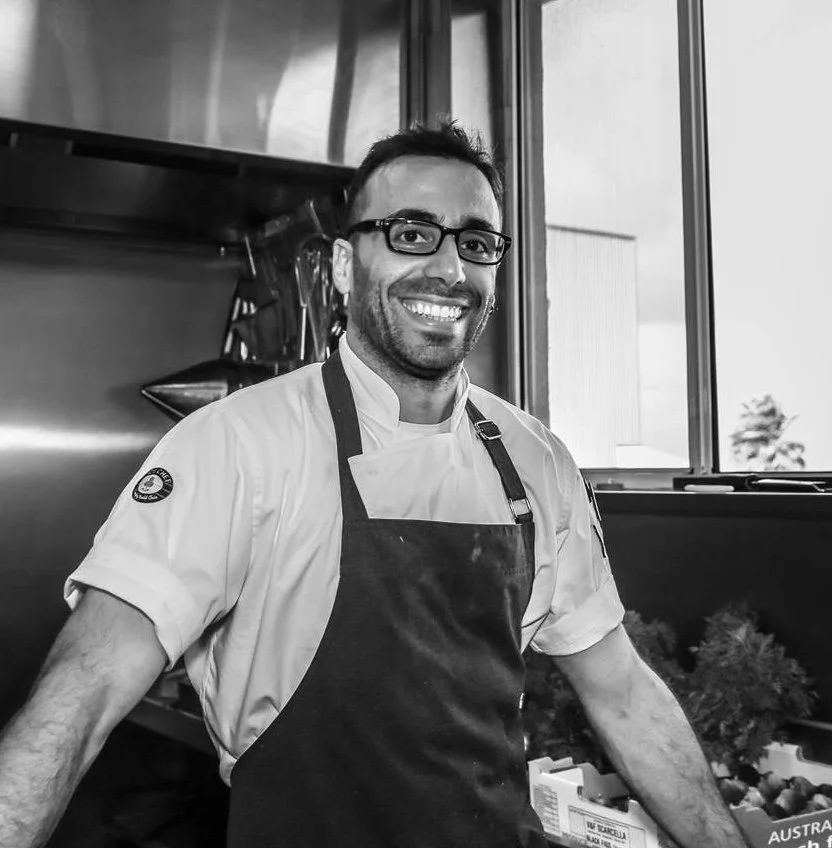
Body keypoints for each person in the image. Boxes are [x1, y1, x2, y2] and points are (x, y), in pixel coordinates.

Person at [0, 122, 747, 848]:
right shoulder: (237, 444)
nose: (450, 270)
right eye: (411, 233)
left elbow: (619, 691)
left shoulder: (533, 458)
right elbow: (86, 688)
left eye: (475, 243)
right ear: (340, 266)